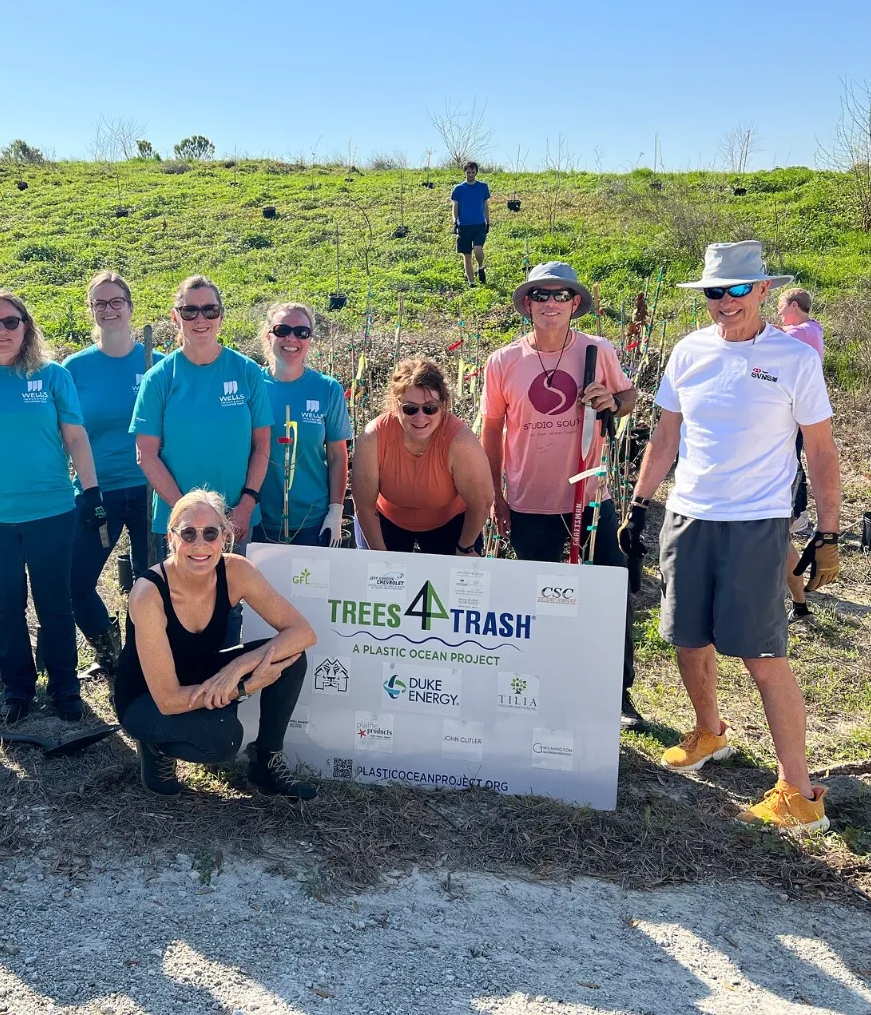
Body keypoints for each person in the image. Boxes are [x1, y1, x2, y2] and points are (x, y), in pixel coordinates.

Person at [620, 241, 840, 831]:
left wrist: (829, 531)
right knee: (687, 637)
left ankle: (799, 791)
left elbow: (819, 449)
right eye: (715, 292)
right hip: (688, 516)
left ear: (763, 290)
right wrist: (639, 505)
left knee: (762, 655)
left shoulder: (794, 359)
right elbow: (665, 437)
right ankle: (710, 733)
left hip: (757, 523)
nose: (724, 303)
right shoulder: (688, 352)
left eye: (737, 290)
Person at [479, 261, 642, 727]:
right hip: (530, 500)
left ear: (574, 304)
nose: (550, 304)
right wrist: (498, 495)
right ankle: (539, 686)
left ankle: (617, 693)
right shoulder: (503, 362)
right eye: (541, 296)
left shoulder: (597, 350)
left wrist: (613, 402)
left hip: (591, 497)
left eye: (560, 296)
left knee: (610, 593)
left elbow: (627, 397)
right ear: (528, 304)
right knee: (537, 601)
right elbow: (492, 432)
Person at [0, 290, 107, 725]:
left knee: (55, 603)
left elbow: (75, 438)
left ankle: (65, 687)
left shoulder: (51, 376)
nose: (1, 331)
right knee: (5, 606)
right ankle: (18, 688)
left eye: (10, 322)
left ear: (26, 327)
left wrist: (91, 493)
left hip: (50, 511)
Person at [114, 490, 318, 798]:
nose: (199, 544)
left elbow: (302, 632)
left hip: (199, 674)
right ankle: (156, 745)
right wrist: (241, 687)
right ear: (171, 538)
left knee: (289, 658)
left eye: (210, 533)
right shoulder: (149, 593)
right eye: (188, 533)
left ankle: (265, 763)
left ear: (224, 536)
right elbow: (168, 699)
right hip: (147, 698)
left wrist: (239, 666)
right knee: (222, 738)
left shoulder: (236, 570)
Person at [131, 276, 272, 645]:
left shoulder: (246, 372)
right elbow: (146, 454)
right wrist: (187, 514)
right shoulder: (160, 377)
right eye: (189, 310)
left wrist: (246, 503)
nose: (200, 318)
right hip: (180, 522)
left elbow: (262, 447)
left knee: (231, 603)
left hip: (236, 517)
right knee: (179, 602)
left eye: (209, 309)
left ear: (221, 315)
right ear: (176, 318)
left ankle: (224, 692)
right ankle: (180, 689)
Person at [64, 271, 149, 673]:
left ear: (131, 308)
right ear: (91, 310)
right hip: (97, 492)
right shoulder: (74, 369)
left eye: (117, 301)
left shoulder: (155, 364)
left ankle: (144, 657)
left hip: (152, 490)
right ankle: (109, 649)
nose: (109, 309)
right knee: (75, 583)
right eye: (100, 302)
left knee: (152, 584)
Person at [351, 358, 494, 555]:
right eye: (410, 408)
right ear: (395, 404)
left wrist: (464, 547)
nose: (420, 417)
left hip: (449, 522)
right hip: (386, 520)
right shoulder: (373, 436)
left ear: (442, 405)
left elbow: (481, 503)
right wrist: (380, 558)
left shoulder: (460, 441)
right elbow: (364, 506)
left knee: (449, 583)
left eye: (430, 408)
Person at [254, 302, 351, 547]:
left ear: (309, 339)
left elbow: (338, 455)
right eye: (282, 330)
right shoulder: (252, 385)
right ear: (269, 335)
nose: (292, 338)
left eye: (301, 332)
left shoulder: (328, 389)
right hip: (258, 520)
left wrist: (336, 510)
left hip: (313, 522)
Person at [778, 286, 825, 629]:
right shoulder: (811, 331)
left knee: (778, 539)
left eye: (781, 308)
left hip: (789, 426)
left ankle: (800, 604)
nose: (779, 314)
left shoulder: (801, 334)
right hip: (790, 427)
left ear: (794, 306)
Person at [450, 161, 491, 287]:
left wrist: (488, 221)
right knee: (467, 256)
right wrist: (455, 222)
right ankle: (472, 283)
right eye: (468, 172)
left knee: (478, 249)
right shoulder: (458, 189)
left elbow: (485, 205)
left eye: (473, 172)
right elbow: (455, 206)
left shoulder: (483, 187)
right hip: (464, 226)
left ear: (476, 172)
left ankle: (480, 267)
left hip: (479, 224)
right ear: (465, 172)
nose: (471, 175)